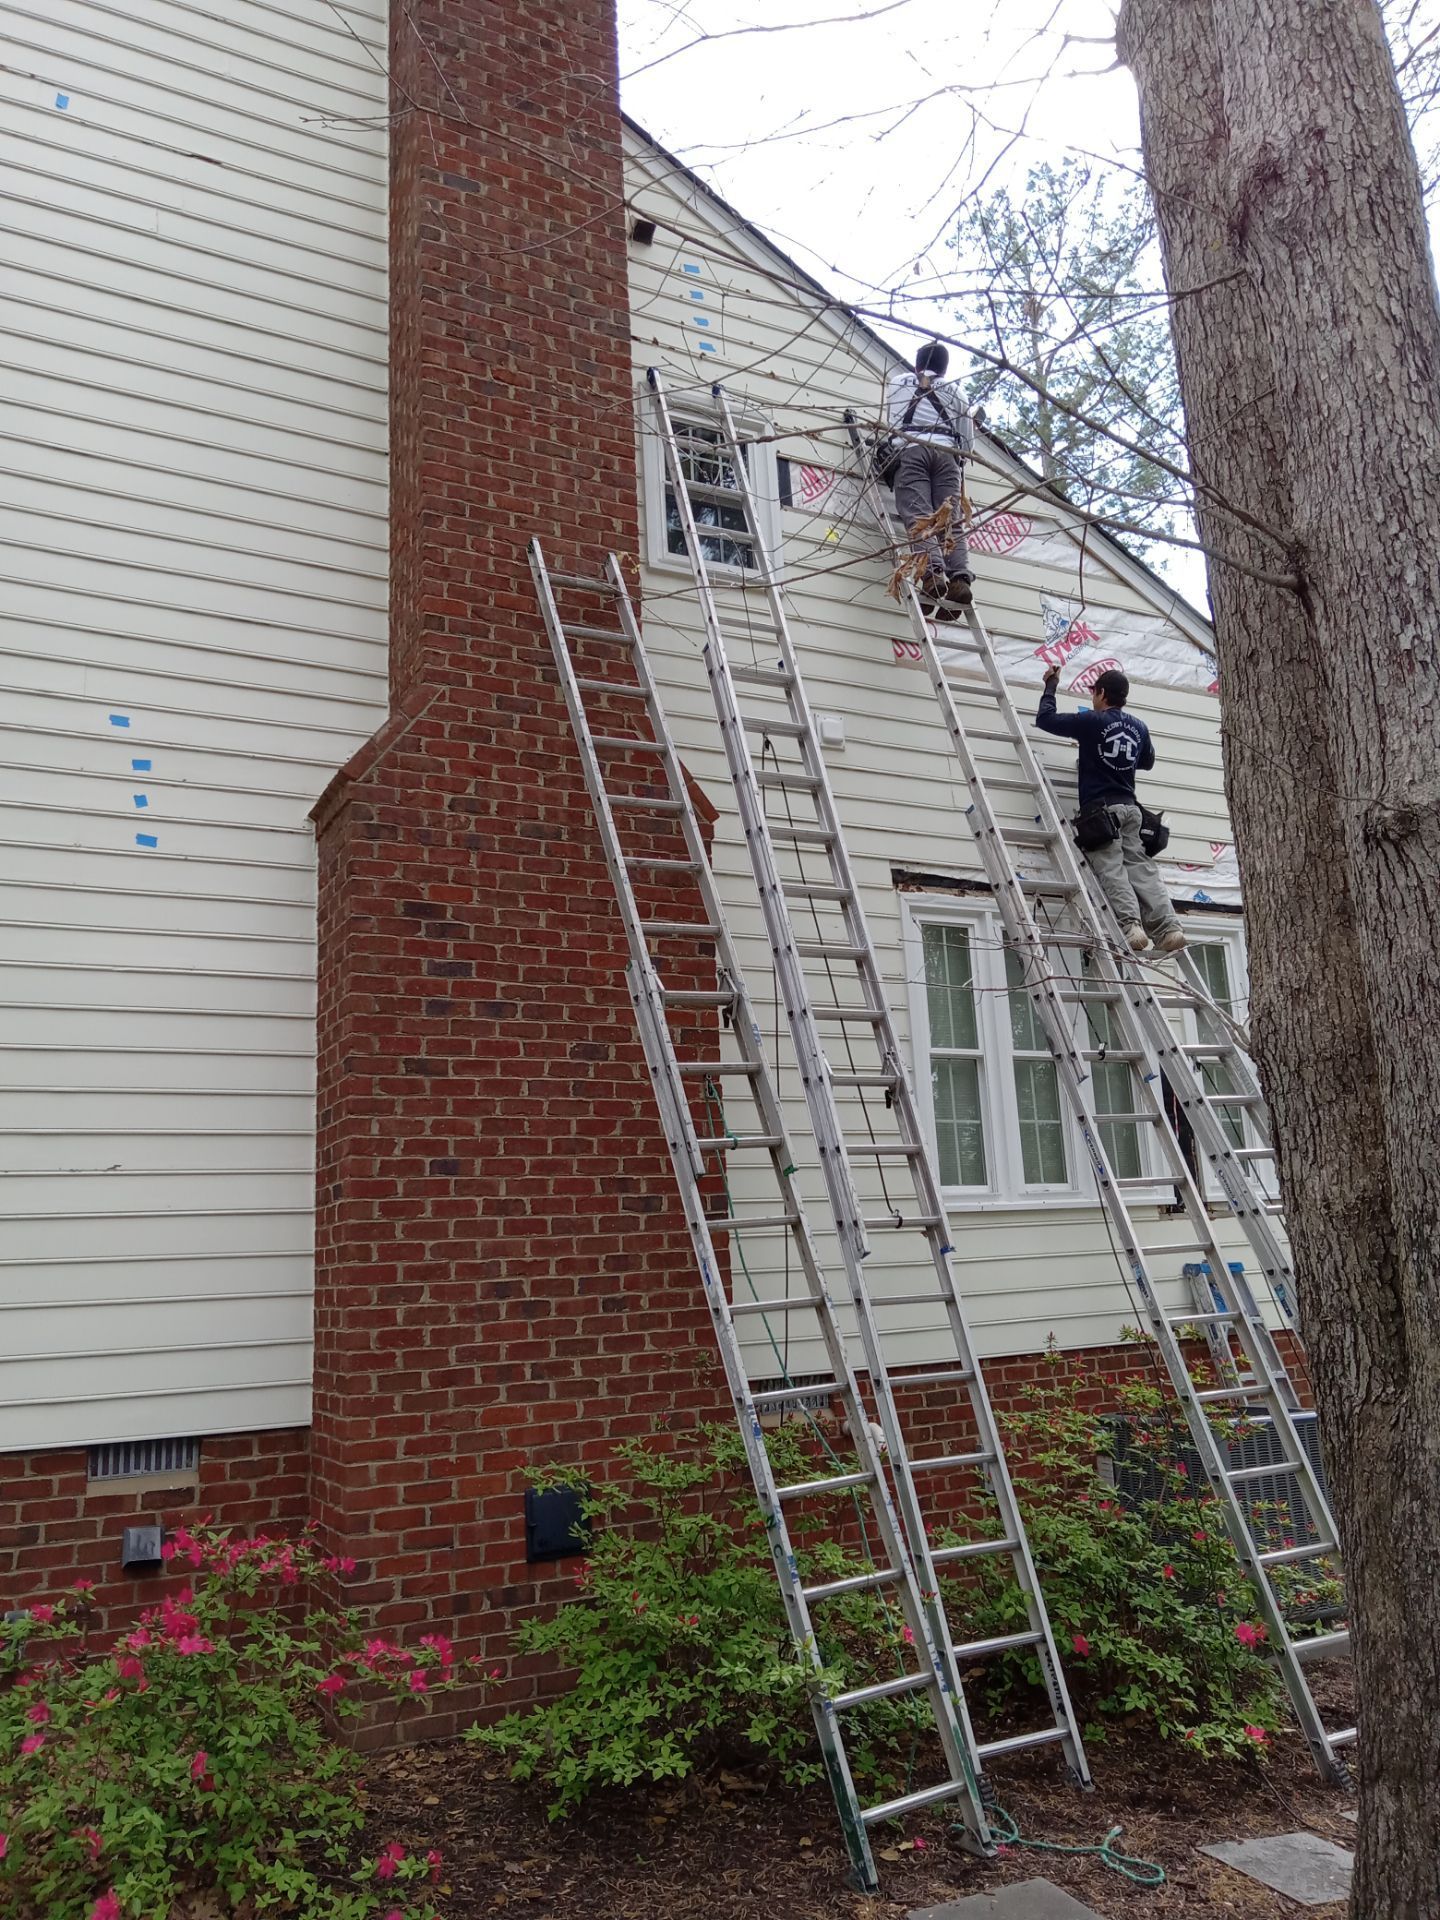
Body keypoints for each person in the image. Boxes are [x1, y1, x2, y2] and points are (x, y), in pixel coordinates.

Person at [1035, 664, 1186, 955]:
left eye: (1094, 692)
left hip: (1101, 812)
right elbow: (1146, 762)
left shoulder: (1092, 721)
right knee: (1142, 869)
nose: (1093, 698)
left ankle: (1131, 927)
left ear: (1102, 693)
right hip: (1131, 809)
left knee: (1111, 867)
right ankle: (1169, 929)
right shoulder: (1139, 727)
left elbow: (1045, 719)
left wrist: (1051, 685)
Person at [884, 342, 974, 613]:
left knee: (919, 516)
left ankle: (932, 574)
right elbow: (967, 444)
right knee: (951, 522)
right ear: (945, 369)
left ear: (916, 364)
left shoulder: (899, 383)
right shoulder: (957, 392)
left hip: (912, 451)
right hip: (948, 459)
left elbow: (893, 421)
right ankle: (959, 579)